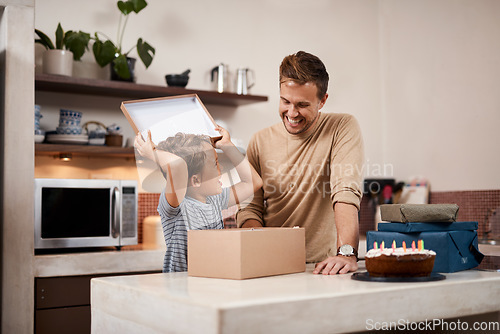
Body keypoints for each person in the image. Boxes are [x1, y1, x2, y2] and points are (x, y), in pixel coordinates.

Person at [236, 51, 364, 275]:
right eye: (285, 101)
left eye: (302, 104)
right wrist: (265, 254)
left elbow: (345, 190)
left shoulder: (341, 127)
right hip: (270, 266)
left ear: (322, 100)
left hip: (323, 268)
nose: (291, 113)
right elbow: (249, 209)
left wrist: (346, 253)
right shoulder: (259, 141)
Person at [135, 126, 262, 272]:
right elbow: (177, 166)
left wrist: (227, 145)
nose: (220, 168)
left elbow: (253, 182)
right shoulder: (176, 205)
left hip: (210, 283)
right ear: (195, 181)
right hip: (181, 289)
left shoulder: (215, 199)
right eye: (215, 164)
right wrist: (153, 153)